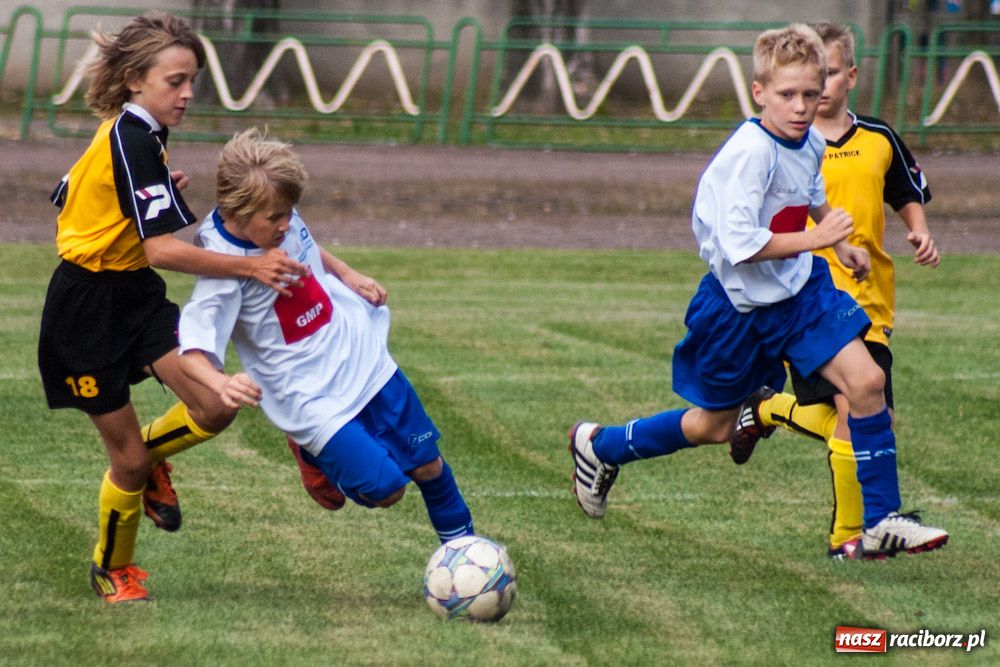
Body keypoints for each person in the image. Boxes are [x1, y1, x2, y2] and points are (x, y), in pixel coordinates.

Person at [567, 23, 948, 560]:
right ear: (759, 92)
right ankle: (601, 445)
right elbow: (741, 245)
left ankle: (881, 518)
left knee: (867, 382)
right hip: (737, 307)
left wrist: (838, 249)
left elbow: (810, 195)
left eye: (810, 94)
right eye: (787, 95)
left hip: (799, 291)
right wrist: (817, 239)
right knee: (713, 426)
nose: (800, 106)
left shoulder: (810, 140)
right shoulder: (749, 154)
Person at [37, 12, 307, 604]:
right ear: (136, 78)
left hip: (133, 295)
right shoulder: (132, 137)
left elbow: (66, 193)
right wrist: (251, 265)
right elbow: (161, 251)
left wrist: (149, 194)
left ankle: (151, 461)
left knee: (213, 405)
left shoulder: (140, 135)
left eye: (192, 82)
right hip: (85, 312)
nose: (187, 94)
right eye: (176, 81)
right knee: (126, 464)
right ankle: (113, 567)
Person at [177, 128, 476, 547]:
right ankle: (310, 451)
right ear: (238, 212)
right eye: (275, 218)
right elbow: (191, 353)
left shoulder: (274, 213)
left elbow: (307, 245)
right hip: (308, 395)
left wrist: (348, 274)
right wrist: (222, 383)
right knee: (388, 490)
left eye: (289, 211)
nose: (286, 223)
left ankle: (467, 552)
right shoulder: (222, 274)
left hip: (359, 355)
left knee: (429, 466)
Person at [728, 22, 941, 561]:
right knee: (857, 408)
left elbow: (906, 191)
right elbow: (746, 228)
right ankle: (854, 536)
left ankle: (771, 410)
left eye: (825, 76)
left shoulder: (876, 138)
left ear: (849, 75)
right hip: (806, 300)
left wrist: (917, 229)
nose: (815, 91)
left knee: (863, 410)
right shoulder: (780, 143)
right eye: (801, 84)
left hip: (870, 298)